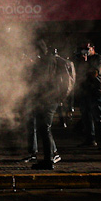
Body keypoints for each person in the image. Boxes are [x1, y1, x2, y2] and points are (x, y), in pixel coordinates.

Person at [25, 41, 65, 169]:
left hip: (47, 99)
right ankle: (50, 158)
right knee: (45, 129)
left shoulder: (43, 62)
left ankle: (49, 160)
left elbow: (40, 81)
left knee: (45, 129)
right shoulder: (51, 60)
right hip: (52, 99)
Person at [77, 42, 101, 150]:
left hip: (97, 91)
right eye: (82, 49)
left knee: (99, 117)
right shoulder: (82, 60)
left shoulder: (99, 59)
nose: (85, 51)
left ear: (92, 48)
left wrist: (85, 64)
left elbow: (95, 73)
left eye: (87, 48)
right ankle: (90, 139)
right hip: (85, 91)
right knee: (86, 117)